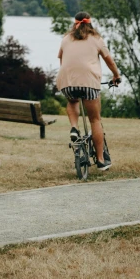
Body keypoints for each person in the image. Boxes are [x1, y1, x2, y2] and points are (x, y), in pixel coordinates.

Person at [56, 11, 120, 170]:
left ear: (75, 23)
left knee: (72, 101)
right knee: (95, 120)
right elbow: (109, 60)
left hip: (68, 82)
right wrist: (116, 75)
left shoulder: (66, 39)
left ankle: (74, 127)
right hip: (89, 83)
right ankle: (100, 159)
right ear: (90, 23)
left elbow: (61, 60)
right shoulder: (97, 39)